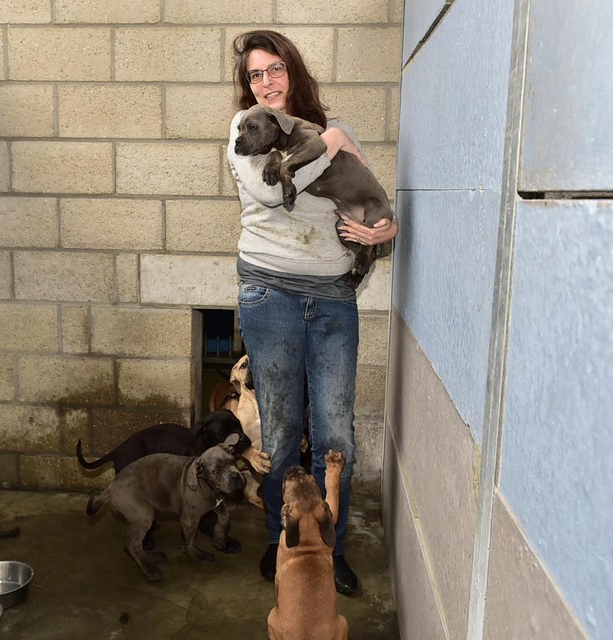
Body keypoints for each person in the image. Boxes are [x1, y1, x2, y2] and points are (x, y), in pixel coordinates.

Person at [227, 30, 398, 594]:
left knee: (334, 432)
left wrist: (385, 228)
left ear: (293, 73)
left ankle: (331, 548)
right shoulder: (244, 132)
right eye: (256, 74)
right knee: (279, 430)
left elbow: (368, 191)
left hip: (331, 299)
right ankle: (285, 544)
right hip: (269, 296)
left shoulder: (324, 130)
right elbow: (276, 192)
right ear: (246, 86)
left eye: (275, 69)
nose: (267, 82)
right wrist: (332, 141)